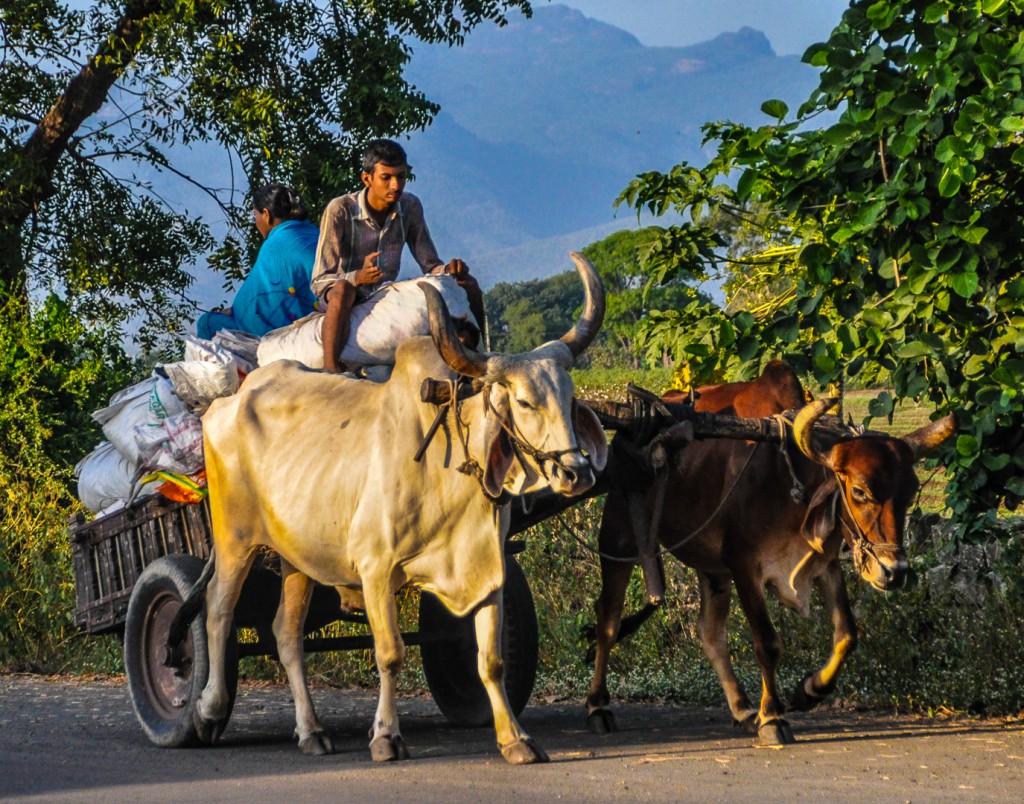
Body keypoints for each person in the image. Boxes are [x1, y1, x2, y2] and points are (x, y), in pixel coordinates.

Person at [311, 138, 485, 372]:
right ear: (367, 178)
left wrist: (449, 271)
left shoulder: (410, 206)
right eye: (386, 178)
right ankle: (330, 369)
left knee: (467, 284)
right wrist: (357, 277)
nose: (396, 185)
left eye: (401, 177)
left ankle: (479, 356)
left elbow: (430, 264)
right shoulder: (340, 210)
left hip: (385, 294)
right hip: (344, 296)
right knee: (343, 290)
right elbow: (321, 280)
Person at [196, 184, 320, 339]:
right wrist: (235, 309)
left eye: (255, 215)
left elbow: (259, 298)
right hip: (316, 319)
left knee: (206, 323)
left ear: (266, 215)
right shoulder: (317, 233)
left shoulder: (276, 243)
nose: (256, 222)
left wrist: (237, 311)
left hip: (281, 332)